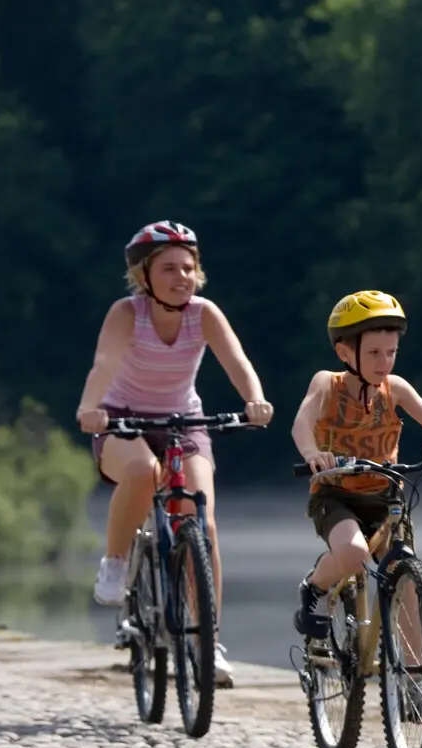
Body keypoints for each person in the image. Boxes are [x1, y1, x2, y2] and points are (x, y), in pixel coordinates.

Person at [76, 220, 273, 688]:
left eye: (188, 268)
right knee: (143, 471)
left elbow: (237, 362)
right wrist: (89, 408)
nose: (181, 277)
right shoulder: (127, 314)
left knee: (201, 522)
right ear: (144, 276)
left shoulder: (203, 314)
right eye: (168, 268)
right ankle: (117, 561)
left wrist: (255, 399)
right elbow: (104, 364)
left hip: (184, 421)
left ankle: (209, 644)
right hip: (122, 420)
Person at [291, 290, 422, 650]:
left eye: (391, 352)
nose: (385, 362)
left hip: (386, 497)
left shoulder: (394, 389)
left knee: (407, 583)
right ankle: (316, 585)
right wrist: (312, 453)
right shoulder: (327, 384)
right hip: (337, 495)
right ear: (345, 352)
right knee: (352, 553)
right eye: (374, 353)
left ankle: (415, 680)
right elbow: (301, 422)